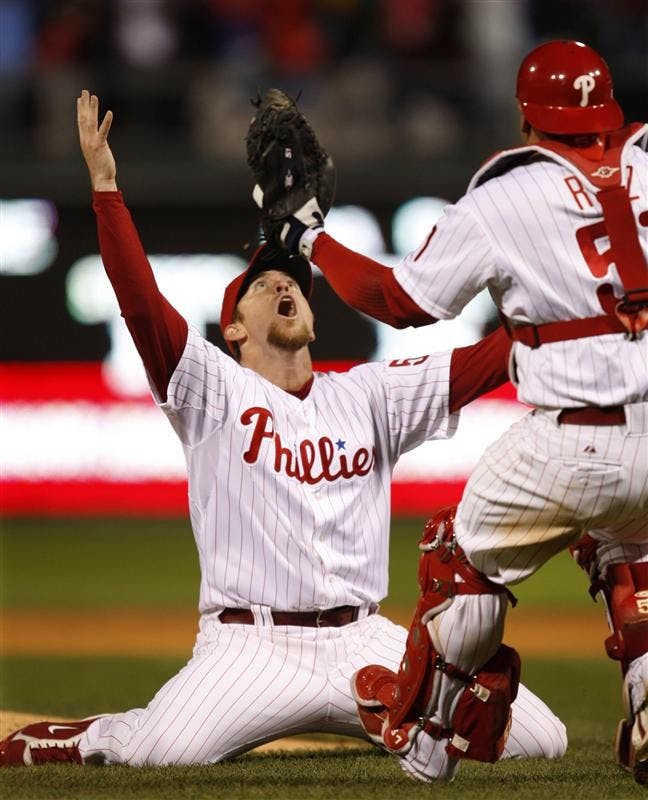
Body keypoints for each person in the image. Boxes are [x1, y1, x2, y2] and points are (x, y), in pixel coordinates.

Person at [0, 90, 568, 779]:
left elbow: (488, 361)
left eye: (292, 279)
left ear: (315, 321)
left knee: (543, 739)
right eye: (263, 283)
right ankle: (78, 738)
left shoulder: (369, 395)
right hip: (251, 648)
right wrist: (107, 190)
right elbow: (142, 303)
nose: (283, 284)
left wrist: (573, 304)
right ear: (232, 327)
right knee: (161, 753)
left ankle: (383, 704)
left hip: (367, 640)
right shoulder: (210, 387)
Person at [262, 40, 648, 783]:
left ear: (527, 117)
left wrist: (306, 236)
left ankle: (429, 740)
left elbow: (400, 302)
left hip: (571, 438)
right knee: (633, 551)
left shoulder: (506, 188)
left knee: (460, 559)